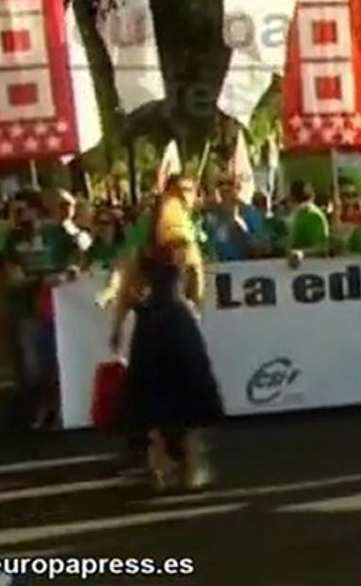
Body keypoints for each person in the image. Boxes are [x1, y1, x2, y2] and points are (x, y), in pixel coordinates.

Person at [112, 179, 223, 492]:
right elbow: (197, 279)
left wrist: (118, 326)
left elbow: (126, 291)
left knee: (152, 400)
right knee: (187, 399)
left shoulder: (143, 247)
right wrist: (195, 305)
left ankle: (159, 470)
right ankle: (193, 470)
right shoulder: (184, 242)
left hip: (149, 325)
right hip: (177, 320)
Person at [1, 190, 83, 429]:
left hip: (59, 308)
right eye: (13, 211)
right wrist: (41, 280)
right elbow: (12, 276)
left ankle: (58, 408)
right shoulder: (13, 239)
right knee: (33, 365)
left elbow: (79, 257)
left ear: (35, 209)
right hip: (27, 310)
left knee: (57, 360)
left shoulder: (58, 233)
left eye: (20, 210)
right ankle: (44, 406)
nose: (16, 216)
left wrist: (69, 272)